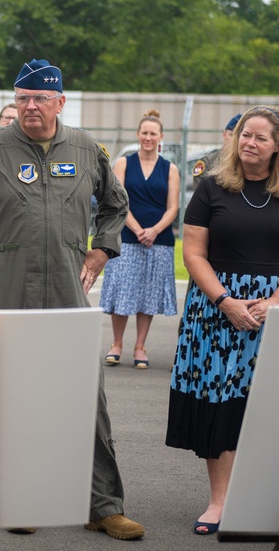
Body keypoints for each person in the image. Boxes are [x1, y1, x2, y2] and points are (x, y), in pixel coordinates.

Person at [0, 59, 144, 541]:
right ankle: (16, 499)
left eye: (41, 99)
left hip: (67, 289)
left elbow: (116, 202)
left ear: (60, 102)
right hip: (10, 288)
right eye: (22, 98)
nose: (30, 107)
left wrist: (103, 248)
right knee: (9, 392)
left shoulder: (86, 149)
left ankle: (102, 505)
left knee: (87, 394)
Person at [166, 105, 279, 536]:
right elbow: (193, 252)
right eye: (244, 135)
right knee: (221, 407)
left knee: (273, 409)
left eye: (260, 138)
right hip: (217, 312)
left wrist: (276, 301)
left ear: (278, 146)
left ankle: (271, 498)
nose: (249, 143)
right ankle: (220, 502)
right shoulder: (211, 187)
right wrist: (226, 300)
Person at [100, 108, 179, 369]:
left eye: (153, 134)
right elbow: (117, 200)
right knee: (123, 291)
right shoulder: (123, 163)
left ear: (161, 137)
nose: (148, 137)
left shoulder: (171, 169)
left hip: (159, 240)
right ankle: (117, 343)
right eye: (144, 133)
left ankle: (140, 346)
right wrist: (136, 229)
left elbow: (173, 207)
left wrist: (155, 230)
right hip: (127, 236)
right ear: (138, 135)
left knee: (147, 294)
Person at [191, 113, 241, 189]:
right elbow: (199, 194)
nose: (234, 140)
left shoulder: (246, 163)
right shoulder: (208, 162)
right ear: (224, 135)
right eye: (231, 135)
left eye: (238, 137)